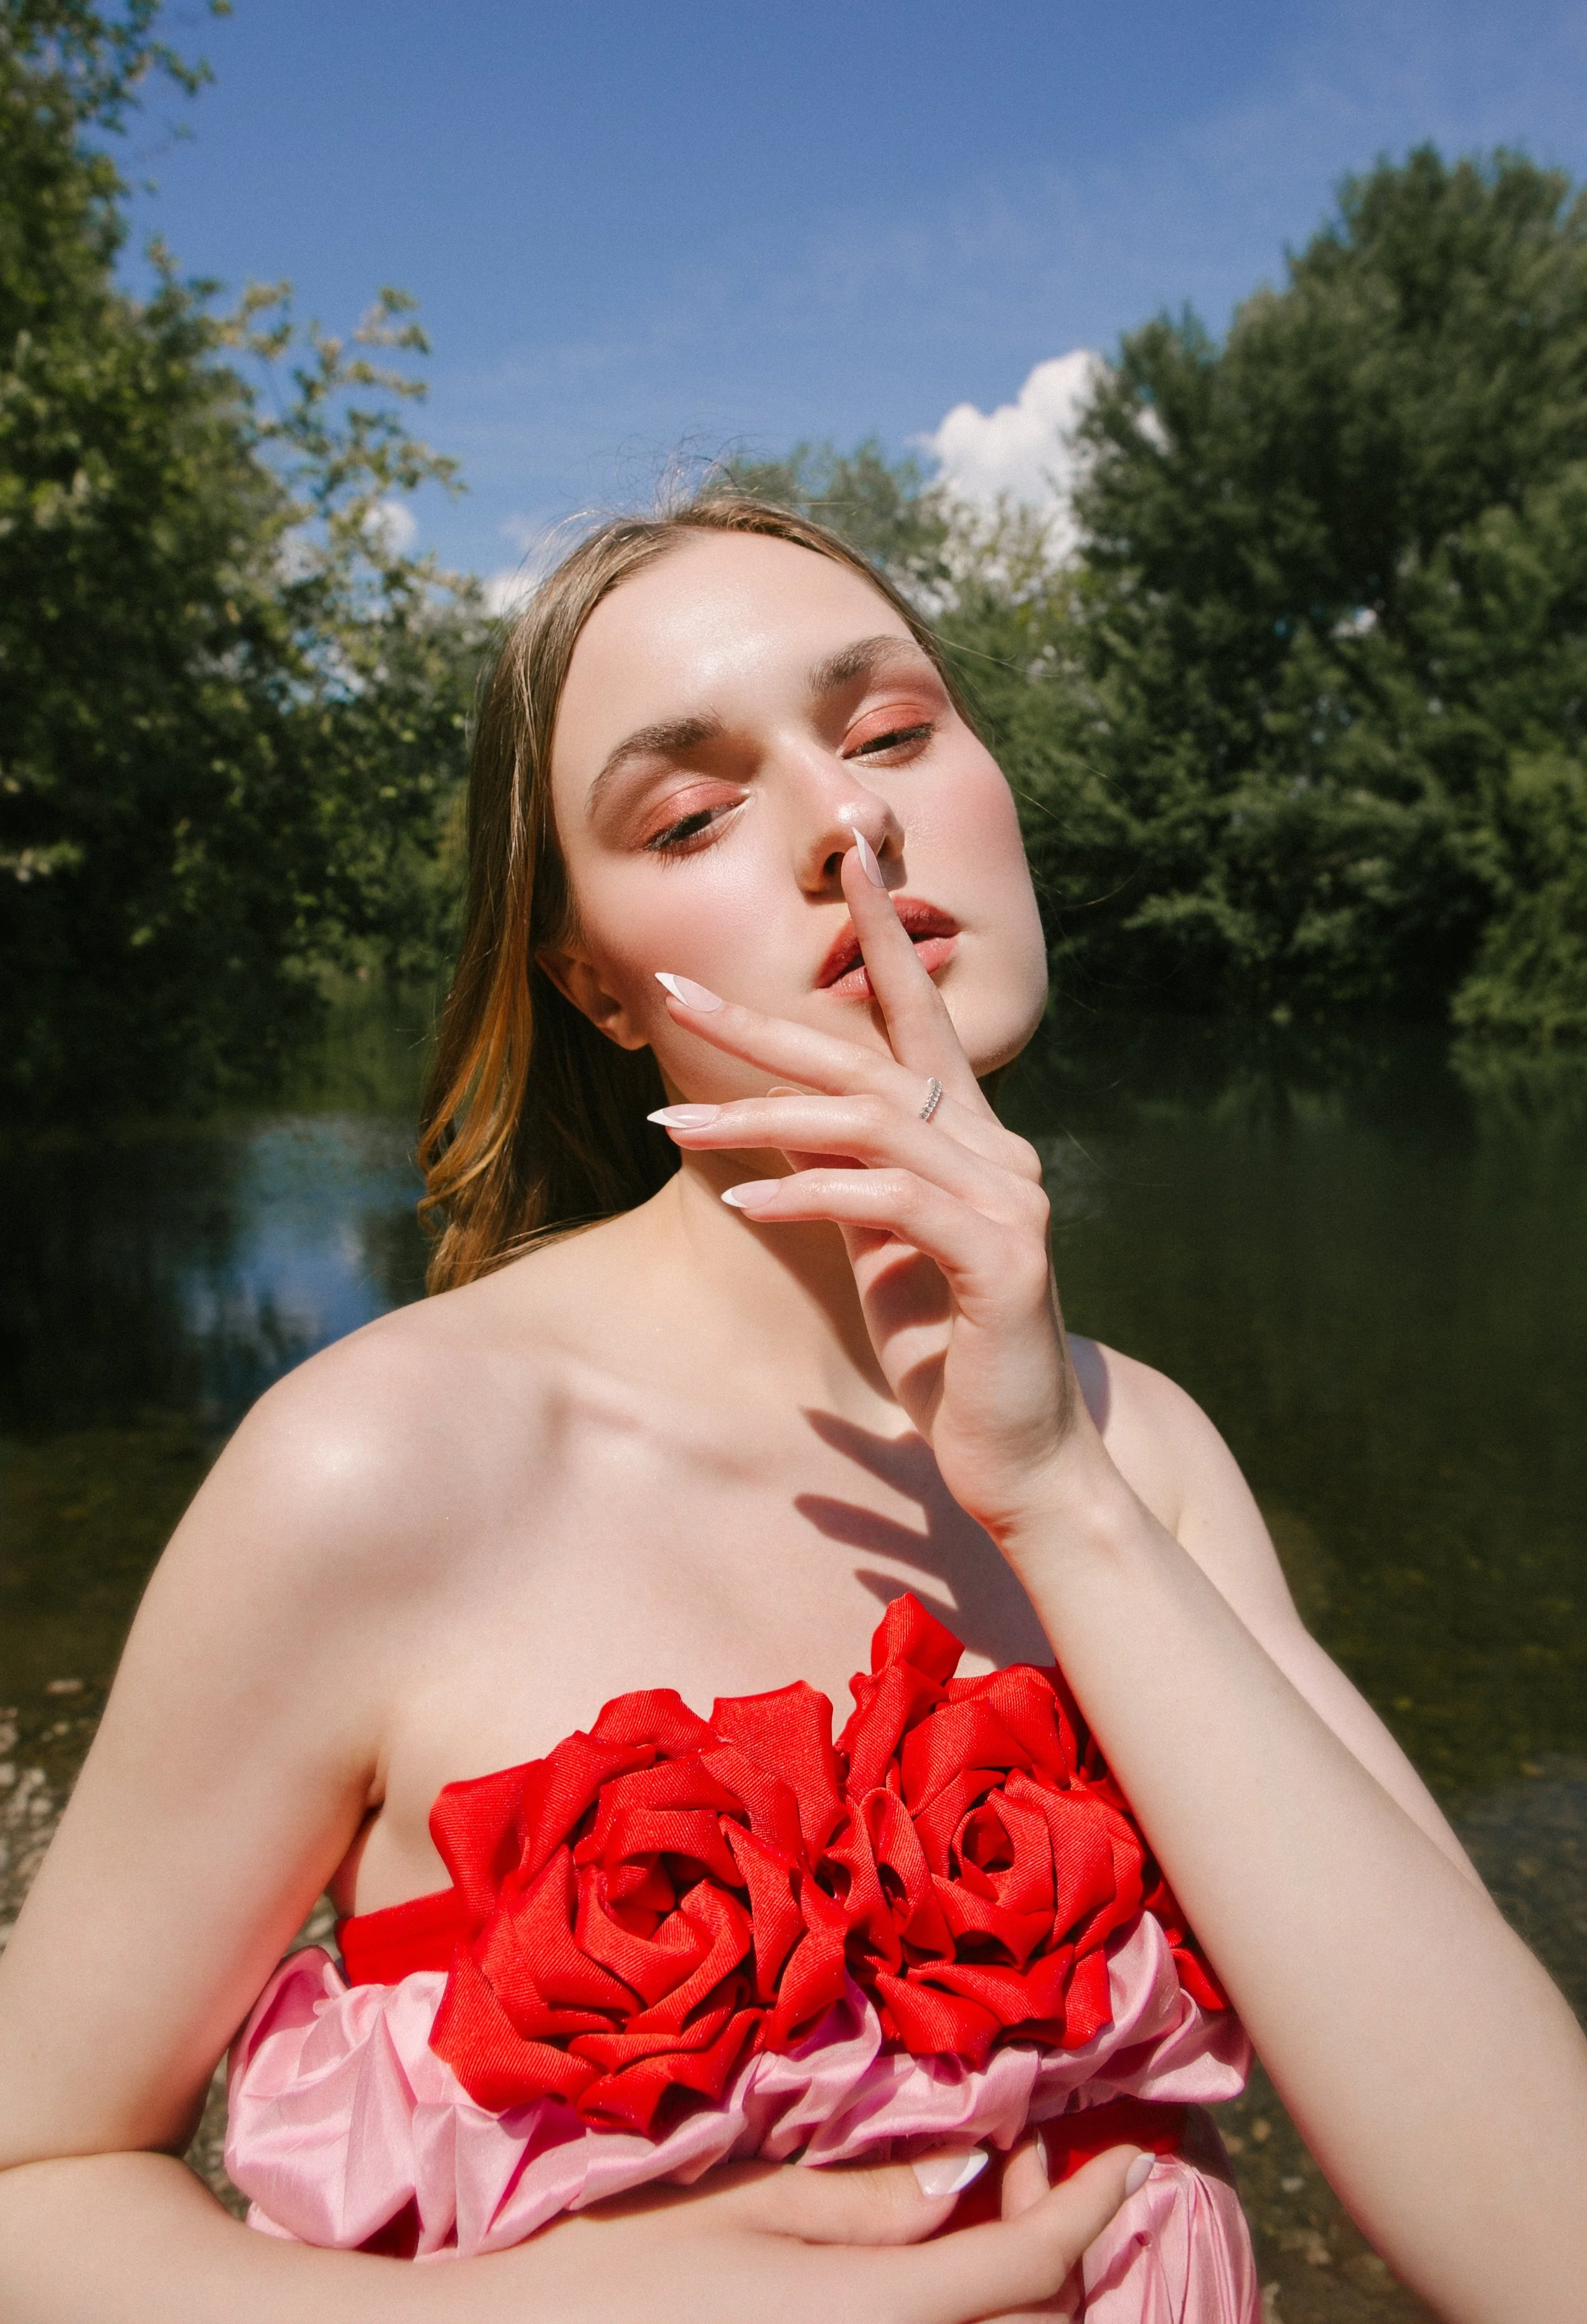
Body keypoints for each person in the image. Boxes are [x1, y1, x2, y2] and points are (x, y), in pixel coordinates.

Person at [0, 495, 1583, 2324]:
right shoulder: (384, 1466)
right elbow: (37, 2183)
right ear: (593, 982)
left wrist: (1056, 1499)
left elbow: (1540, 2241)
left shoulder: (1138, 1455)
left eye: (891, 730)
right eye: (689, 816)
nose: (850, 822)